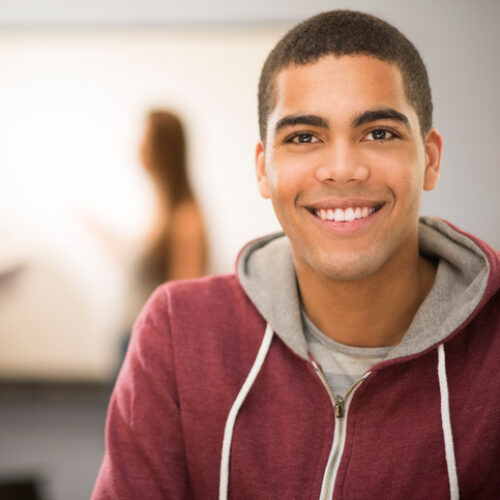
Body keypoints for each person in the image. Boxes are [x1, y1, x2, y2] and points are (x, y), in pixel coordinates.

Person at [92, 10, 500, 499]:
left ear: (429, 158)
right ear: (264, 169)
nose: (342, 168)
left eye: (379, 133)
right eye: (304, 137)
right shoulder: (177, 332)